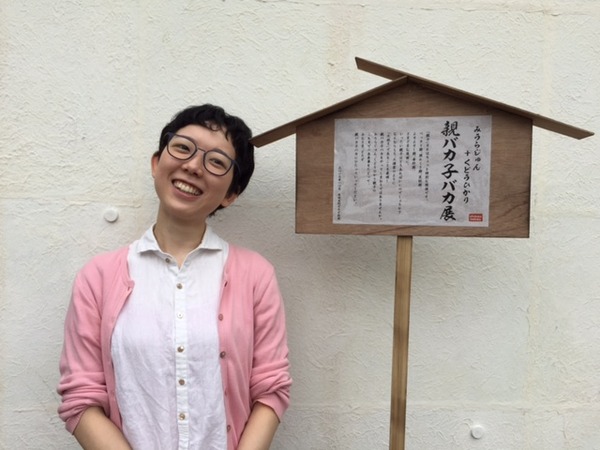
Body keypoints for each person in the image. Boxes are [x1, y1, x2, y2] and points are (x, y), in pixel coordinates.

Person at [57, 104, 292, 450]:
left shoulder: (256, 275)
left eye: (216, 162)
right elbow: (81, 395)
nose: (193, 166)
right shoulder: (98, 277)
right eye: (183, 148)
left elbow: (271, 388)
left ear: (231, 194)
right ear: (157, 162)